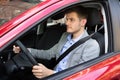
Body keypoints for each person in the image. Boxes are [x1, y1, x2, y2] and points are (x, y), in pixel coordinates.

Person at [13, 6, 100, 79]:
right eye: (67, 19)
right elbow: (48, 53)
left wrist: (49, 73)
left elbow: (82, 76)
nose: (67, 23)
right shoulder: (65, 36)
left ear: (83, 22)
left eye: (72, 20)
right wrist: (26, 50)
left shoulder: (91, 45)